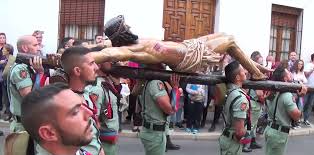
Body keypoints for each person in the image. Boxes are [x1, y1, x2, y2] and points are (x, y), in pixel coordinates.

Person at [90, 15, 271, 80]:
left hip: (189, 46)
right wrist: (82, 58)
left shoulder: (133, 41)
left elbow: (102, 45)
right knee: (229, 41)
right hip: (189, 59)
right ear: (121, 34)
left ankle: (257, 68)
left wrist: (86, 47)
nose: (129, 27)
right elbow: (107, 52)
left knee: (224, 35)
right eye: (125, 27)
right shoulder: (128, 50)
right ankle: (256, 73)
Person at [20, 83, 104, 155]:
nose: (89, 113)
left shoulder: (75, 154)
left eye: (83, 106)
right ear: (49, 133)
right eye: (75, 112)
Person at [256, 65, 307, 155]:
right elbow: (296, 117)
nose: (290, 73)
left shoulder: (272, 93)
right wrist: (301, 98)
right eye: (288, 72)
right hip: (278, 134)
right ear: (284, 79)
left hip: (270, 130)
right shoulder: (287, 95)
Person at [60, 46, 105, 155]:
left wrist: (98, 147)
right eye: (91, 64)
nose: (96, 67)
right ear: (77, 71)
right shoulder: (65, 103)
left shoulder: (85, 93)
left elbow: (92, 127)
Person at [139, 64, 180, 155]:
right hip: (155, 133)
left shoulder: (151, 81)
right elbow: (170, 109)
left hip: (151, 131)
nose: (164, 65)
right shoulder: (156, 83)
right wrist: (176, 89)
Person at [214, 60, 251, 155]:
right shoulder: (240, 98)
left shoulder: (231, 91)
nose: (245, 72)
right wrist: (246, 133)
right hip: (232, 140)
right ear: (237, 77)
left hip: (227, 136)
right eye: (243, 71)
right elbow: (239, 132)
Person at [86, 61, 122, 155]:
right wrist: (99, 144)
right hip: (103, 141)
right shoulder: (97, 87)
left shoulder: (107, 82)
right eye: (109, 60)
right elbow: (91, 118)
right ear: (99, 63)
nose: (114, 62)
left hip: (108, 140)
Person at [7, 35, 45, 132]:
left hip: (29, 122)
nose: (39, 48)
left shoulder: (28, 65)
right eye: (35, 45)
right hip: (23, 126)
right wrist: (40, 73)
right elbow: (29, 97)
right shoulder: (20, 69)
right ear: (25, 48)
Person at [303, 52, 314, 126]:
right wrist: (313, 69)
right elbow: (306, 75)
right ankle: (299, 119)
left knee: (310, 105)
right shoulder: (308, 65)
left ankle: (305, 119)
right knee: (304, 104)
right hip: (307, 88)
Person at [2, 44, 15, 120]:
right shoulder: (5, 59)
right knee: (6, 99)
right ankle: (8, 114)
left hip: (10, 82)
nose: (3, 50)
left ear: (8, 51)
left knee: (11, 99)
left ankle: (12, 115)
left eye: (4, 49)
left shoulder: (13, 59)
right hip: (4, 81)